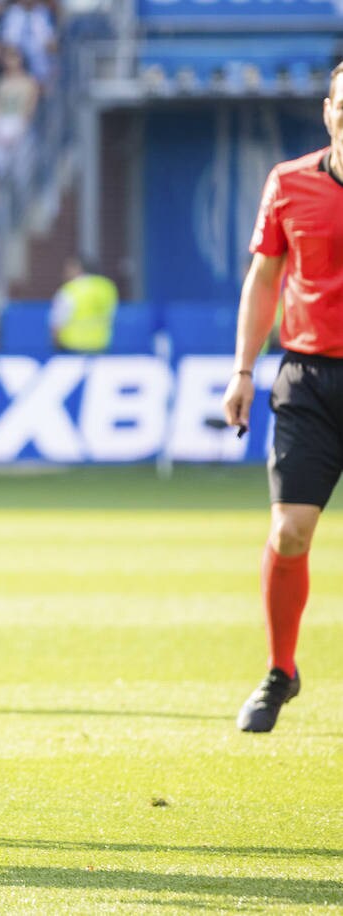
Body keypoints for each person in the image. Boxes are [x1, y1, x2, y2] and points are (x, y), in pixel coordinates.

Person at [223, 60, 343, 734]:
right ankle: (280, 670)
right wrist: (243, 370)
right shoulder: (290, 183)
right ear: (329, 111)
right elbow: (264, 278)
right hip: (308, 378)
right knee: (289, 531)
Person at [49, 255, 118, 353]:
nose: (65, 273)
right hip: (100, 345)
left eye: (68, 268)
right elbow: (110, 314)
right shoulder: (107, 287)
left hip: (73, 346)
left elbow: (57, 320)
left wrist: (55, 343)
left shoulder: (70, 289)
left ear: (78, 268)